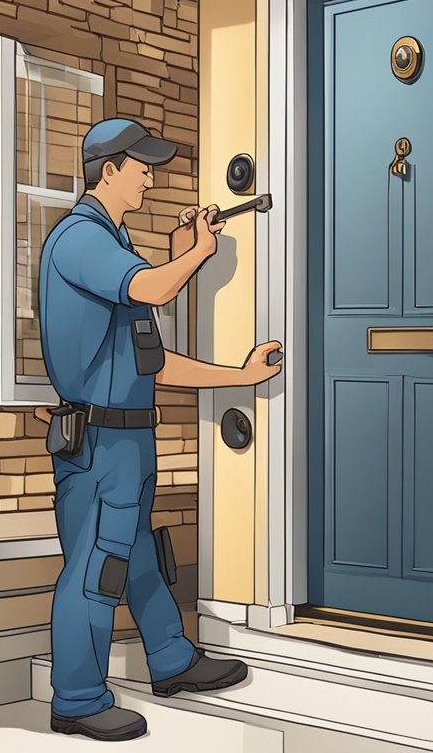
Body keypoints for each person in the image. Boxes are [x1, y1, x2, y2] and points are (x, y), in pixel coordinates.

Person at [36, 117, 284, 742]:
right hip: (99, 442)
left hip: (130, 439)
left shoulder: (114, 249)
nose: (150, 175)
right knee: (96, 567)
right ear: (108, 170)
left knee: (141, 555)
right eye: (140, 164)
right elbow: (151, 286)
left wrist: (239, 375)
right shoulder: (80, 239)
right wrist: (195, 254)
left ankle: (171, 659)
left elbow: (157, 363)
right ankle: (78, 697)